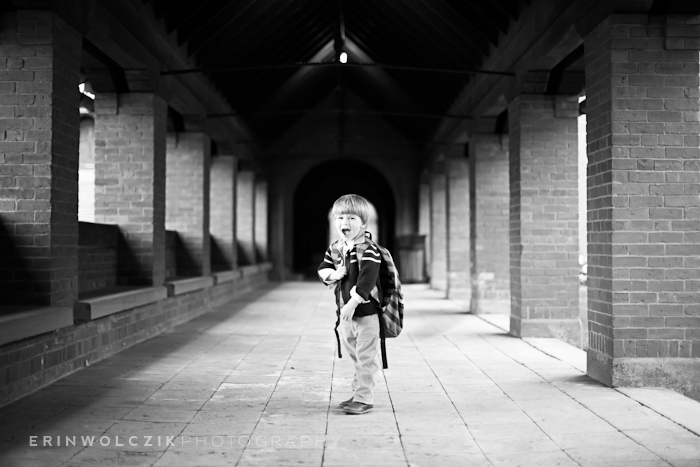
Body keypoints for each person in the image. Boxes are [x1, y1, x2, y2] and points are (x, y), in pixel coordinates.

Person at [318, 194, 383, 415]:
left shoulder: (369, 250)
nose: (344, 223)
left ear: (363, 223)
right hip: (346, 316)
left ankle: (364, 399)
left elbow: (367, 281)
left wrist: (352, 304)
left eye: (352, 218)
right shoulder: (336, 248)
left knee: (366, 358)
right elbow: (323, 269)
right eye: (340, 218)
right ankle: (358, 393)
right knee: (356, 358)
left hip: (365, 314)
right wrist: (335, 273)